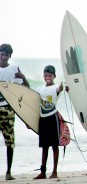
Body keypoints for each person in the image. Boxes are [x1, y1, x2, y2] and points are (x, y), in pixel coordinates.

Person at [0, 44, 30, 180]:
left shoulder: (13, 70)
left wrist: (23, 77)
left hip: (8, 110)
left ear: (9, 56)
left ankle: (8, 173)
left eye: (6, 55)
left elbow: (25, 90)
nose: (3, 57)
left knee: (10, 141)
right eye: (1, 54)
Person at [34, 65, 69, 179]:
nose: (47, 77)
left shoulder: (55, 88)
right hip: (43, 119)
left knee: (54, 145)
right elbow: (33, 104)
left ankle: (54, 172)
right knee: (44, 146)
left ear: (54, 76)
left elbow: (60, 89)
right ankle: (43, 172)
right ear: (43, 76)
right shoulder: (40, 89)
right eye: (46, 75)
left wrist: (63, 86)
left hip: (52, 118)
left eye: (50, 75)